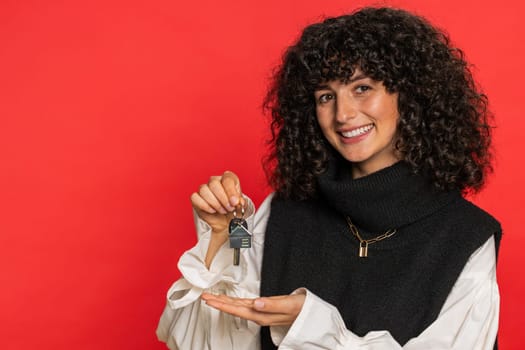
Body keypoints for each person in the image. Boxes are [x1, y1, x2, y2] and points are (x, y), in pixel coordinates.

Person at [157, 7, 501, 350]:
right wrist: (223, 235)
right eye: (325, 96)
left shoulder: (465, 236)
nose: (343, 114)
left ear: (410, 94)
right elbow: (208, 341)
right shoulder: (283, 210)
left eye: (362, 88)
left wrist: (312, 328)